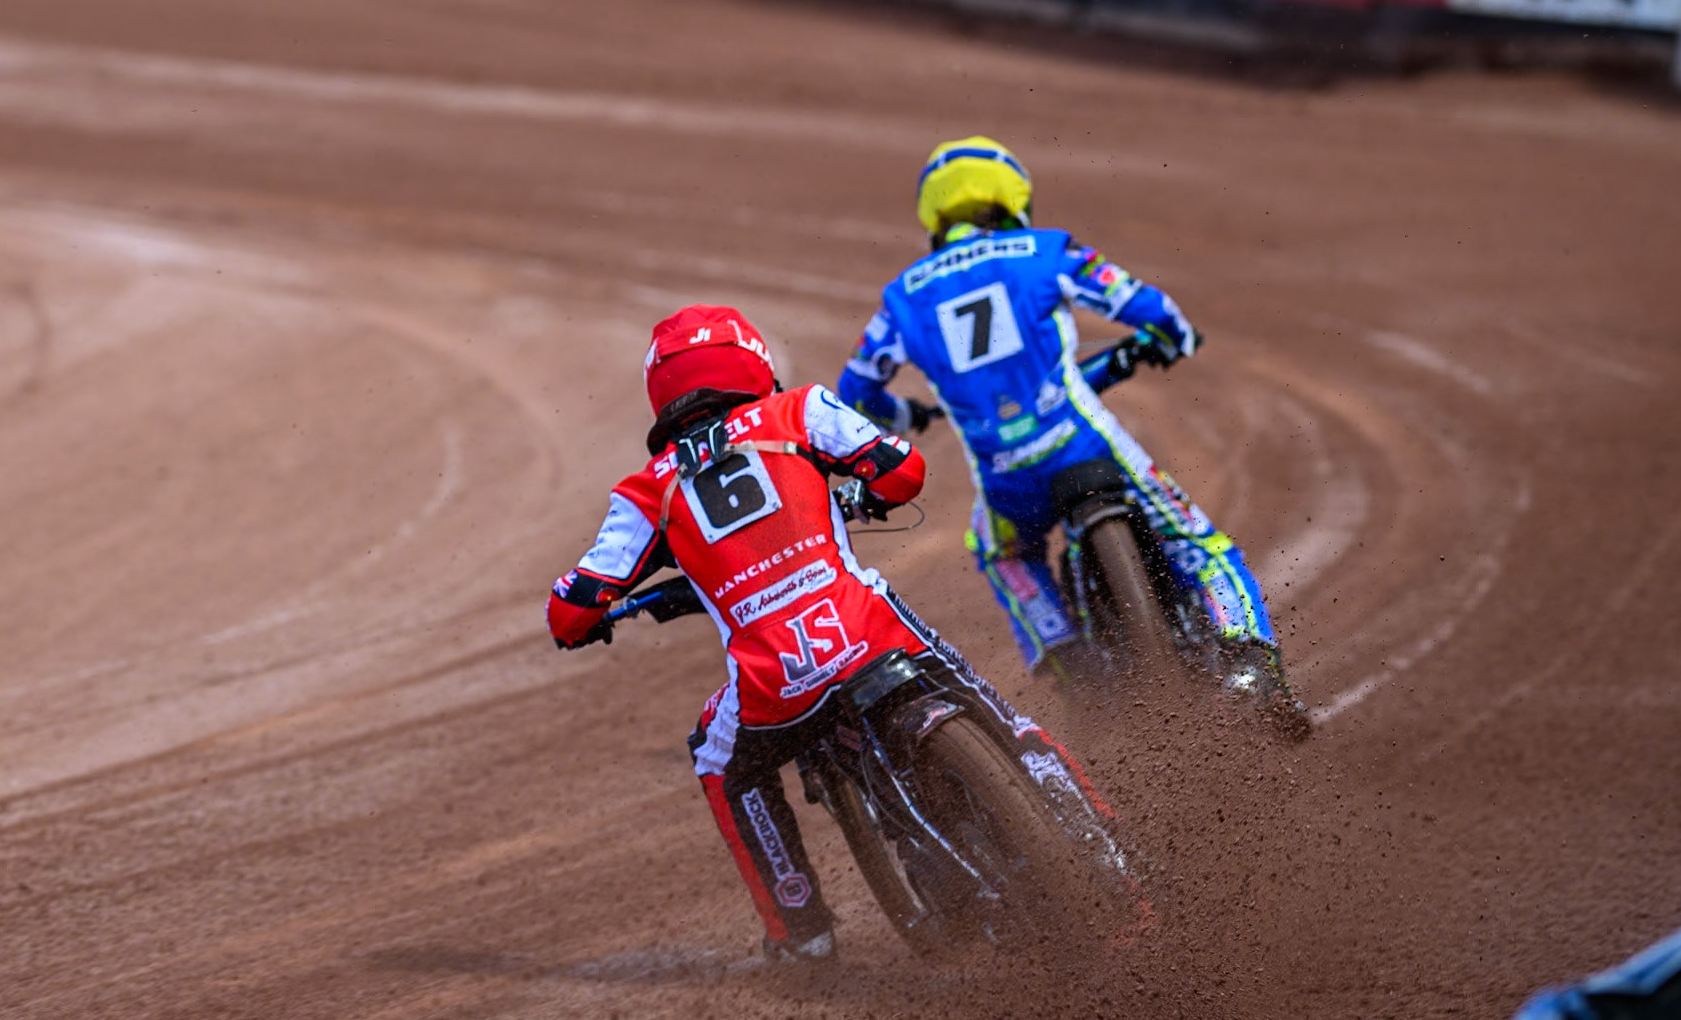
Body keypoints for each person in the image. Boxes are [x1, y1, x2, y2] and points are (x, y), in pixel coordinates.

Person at [547, 304, 1072, 961]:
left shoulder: (645, 490)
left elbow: (569, 611)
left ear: (662, 390)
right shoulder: (800, 409)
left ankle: (801, 930)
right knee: (987, 706)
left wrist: (590, 615)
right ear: (753, 361)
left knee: (718, 760)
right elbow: (903, 471)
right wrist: (867, 489)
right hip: (869, 629)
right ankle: (1087, 822)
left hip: (777, 683)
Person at [837, 136, 1298, 712]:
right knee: (1200, 545)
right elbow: (1146, 307)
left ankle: (1070, 663)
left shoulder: (901, 299)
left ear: (934, 213)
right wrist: (1170, 338)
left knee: (1003, 554)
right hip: (1081, 442)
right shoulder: (1043, 250)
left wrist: (909, 415)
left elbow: (854, 395)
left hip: (1008, 486)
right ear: (1011, 199)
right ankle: (1251, 665)